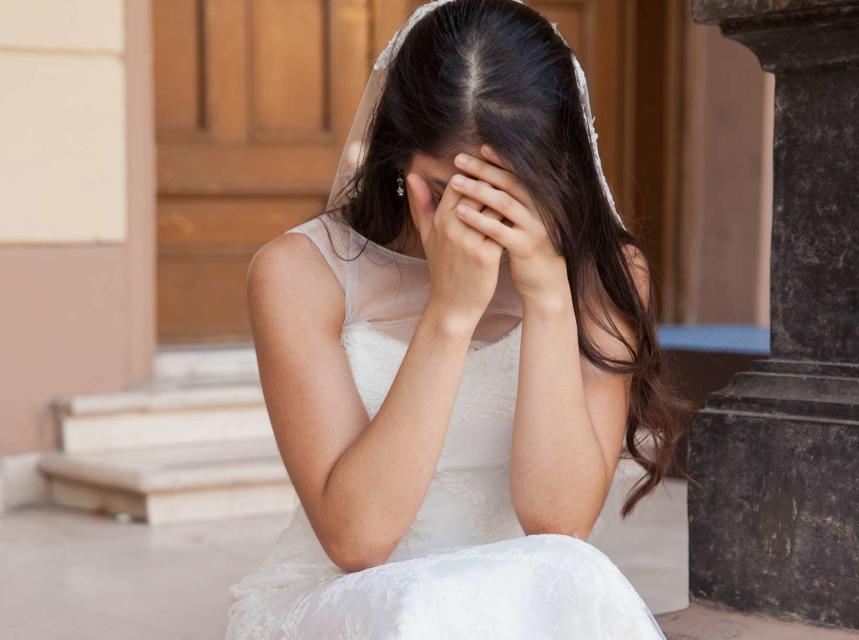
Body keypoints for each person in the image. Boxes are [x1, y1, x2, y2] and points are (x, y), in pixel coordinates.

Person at [225, 0, 693, 637]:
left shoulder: (606, 273)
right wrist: (449, 314)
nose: (477, 222)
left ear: (559, 172)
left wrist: (549, 300)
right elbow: (357, 540)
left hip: (521, 597)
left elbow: (560, 531)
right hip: (361, 600)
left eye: (510, 192)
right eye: (450, 192)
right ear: (398, 161)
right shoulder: (300, 273)